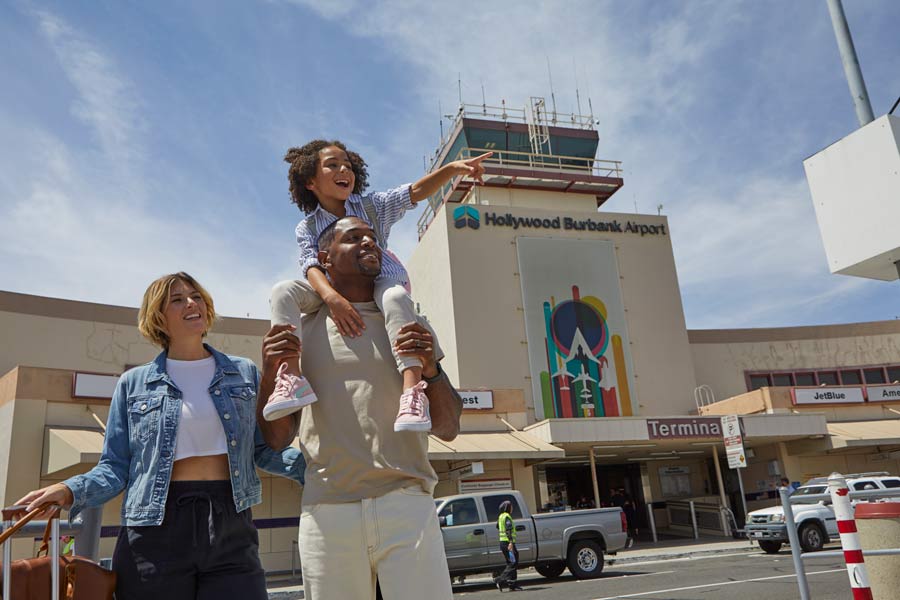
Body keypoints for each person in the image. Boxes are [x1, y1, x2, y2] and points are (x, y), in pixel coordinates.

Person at [17, 272, 305, 600]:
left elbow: (264, 450)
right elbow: (115, 467)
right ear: (158, 317)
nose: (191, 303)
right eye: (177, 299)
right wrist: (68, 490)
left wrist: (318, 469)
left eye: (196, 296)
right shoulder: (133, 383)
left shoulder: (243, 373)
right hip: (155, 529)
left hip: (231, 522)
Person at [259, 216, 463, 600]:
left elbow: (449, 427)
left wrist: (432, 371)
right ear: (325, 258)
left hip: (408, 503)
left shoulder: (407, 322)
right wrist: (271, 372)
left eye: (372, 238)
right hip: (328, 513)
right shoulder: (301, 328)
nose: (369, 243)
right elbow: (277, 437)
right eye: (354, 238)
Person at [265, 140, 490, 433]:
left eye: (347, 164)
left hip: (379, 281)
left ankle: (412, 389)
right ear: (310, 180)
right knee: (283, 290)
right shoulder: (307, 227)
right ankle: (291, 378)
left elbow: (413, 193)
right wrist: (332, 297)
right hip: (331, 288)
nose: (343, 169)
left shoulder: (370, 205)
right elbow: (310, 265)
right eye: (332, 165)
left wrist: (451, 170)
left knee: (395, 296)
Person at [493, 500, 522, 592]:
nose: (512, 508)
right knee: (513, 563)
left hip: (503, 543)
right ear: (507, 508)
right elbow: (508, 529)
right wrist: (510, 542)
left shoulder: (501, 516)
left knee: (511, 562)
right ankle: (499, 580)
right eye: (510, 506)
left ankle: (512, 584)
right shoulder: (507, 517)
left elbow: (497, 526)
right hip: (508, 543)